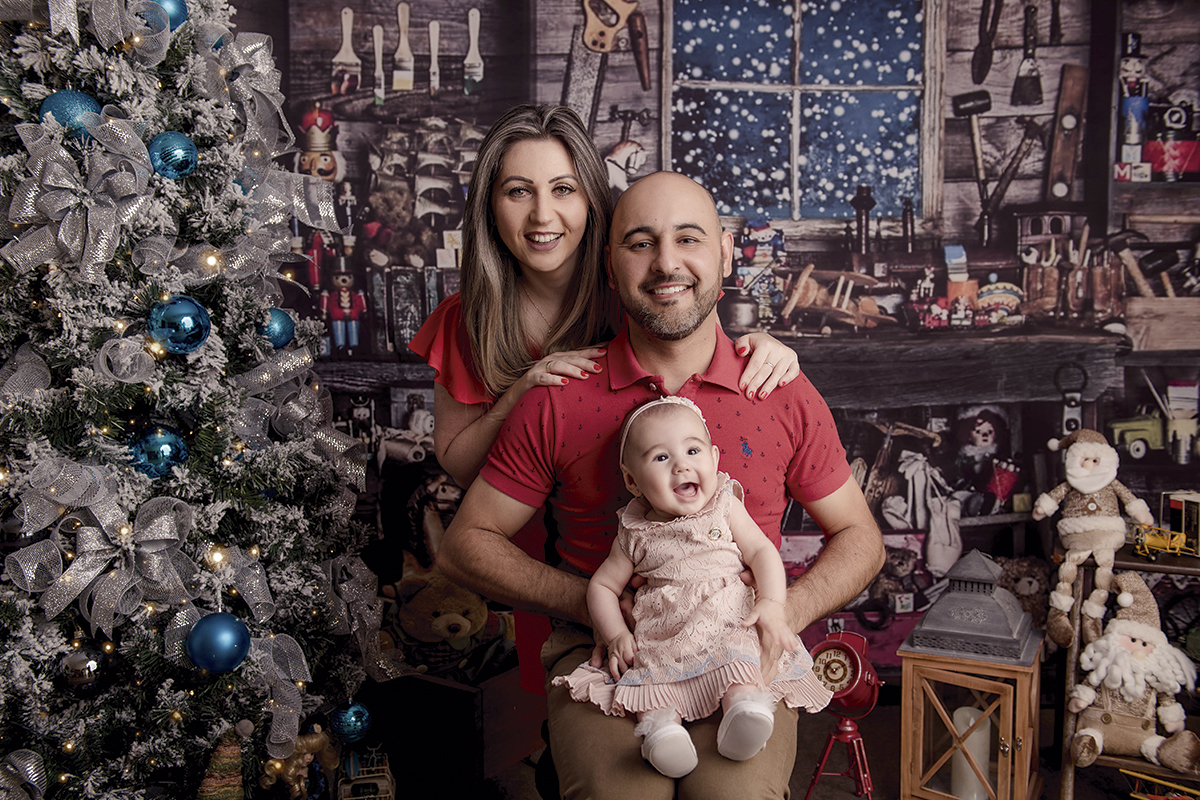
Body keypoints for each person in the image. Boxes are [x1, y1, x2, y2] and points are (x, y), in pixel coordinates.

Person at [438, 170, 884, 799]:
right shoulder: (562, 399)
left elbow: (861, 537)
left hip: (740, 646)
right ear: (609, 264)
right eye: (641, 242)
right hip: (609, 652)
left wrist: (782, 614)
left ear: (726, 251)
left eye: (689, 238)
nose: (666, 262)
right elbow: (465, 544)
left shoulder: (778, 388)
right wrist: (595, 608)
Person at [408, 105, 802, 691]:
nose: (544, 215)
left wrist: (765, 343)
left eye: (563, 189)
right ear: (490, 207)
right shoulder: (468, 319)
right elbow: (460, 462)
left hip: (621, 518)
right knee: (548, 691)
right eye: (518, 192)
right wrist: (522, 393)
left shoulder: (631, 286)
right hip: (516, 533)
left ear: (593, 201)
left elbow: (694, 331)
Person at [554, 396, 832, 779]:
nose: (682, 464)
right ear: (632, 480)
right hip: (664, 630)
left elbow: (761, 553)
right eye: (661, 458)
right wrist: (615, 632)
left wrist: (771, 602)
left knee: (739, 661)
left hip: (725, 615)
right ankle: (662, 733)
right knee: (651, 679)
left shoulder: (724, 504)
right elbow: (601, 586)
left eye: (692, 450)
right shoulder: (635, 532)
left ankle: (745, 712)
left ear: (715, 460)